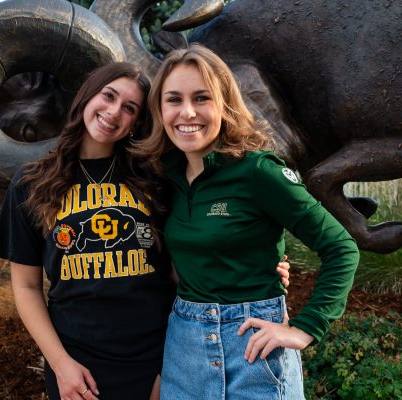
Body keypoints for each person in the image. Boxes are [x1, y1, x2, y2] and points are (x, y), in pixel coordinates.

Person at [0, 62, 291, 400]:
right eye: (108, 96)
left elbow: (189, 254)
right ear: (87, 97)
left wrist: (249, 264)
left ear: (137, 122)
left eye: (129, 107)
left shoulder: (156, 177)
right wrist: (61, 365)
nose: (114, 111)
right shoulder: (31, 183)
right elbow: (27, 287)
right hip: (76, 362)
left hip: (159, 356)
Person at [138, 44, 360, 399]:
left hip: (252, 346)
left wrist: (305, 329)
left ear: (224, 104)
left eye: (202, 98)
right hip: (184, 347)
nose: (187, 112)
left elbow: (340, 247)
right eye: (174, 100)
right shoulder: (166, 176)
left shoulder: (258, 171)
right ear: (159, 109)